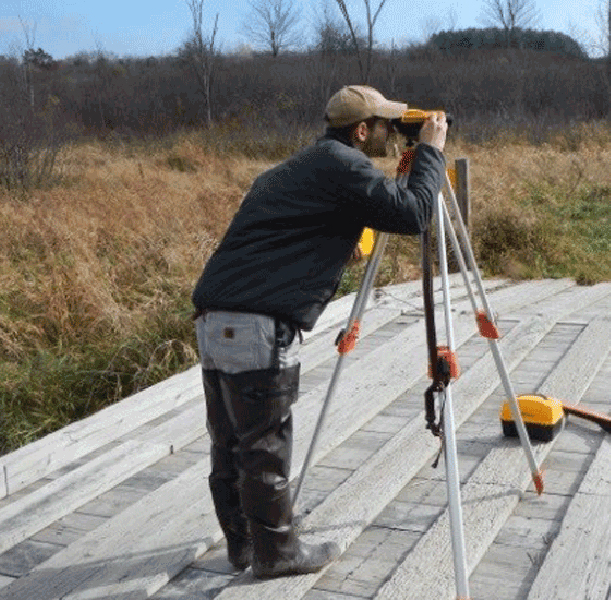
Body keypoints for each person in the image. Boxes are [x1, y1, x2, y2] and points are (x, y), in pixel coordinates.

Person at [191, 85, 448, 579]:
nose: (392, 136)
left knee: (230, 444)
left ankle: (245, 545)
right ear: (360, 130)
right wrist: (431, 153)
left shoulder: (293, 168)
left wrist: (334, 241)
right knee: (264, 446)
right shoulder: (343, 165)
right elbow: (415, 214)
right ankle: (278, 556)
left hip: (214, 318)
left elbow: (282, 236)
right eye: (385, 127)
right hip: (256, 325)